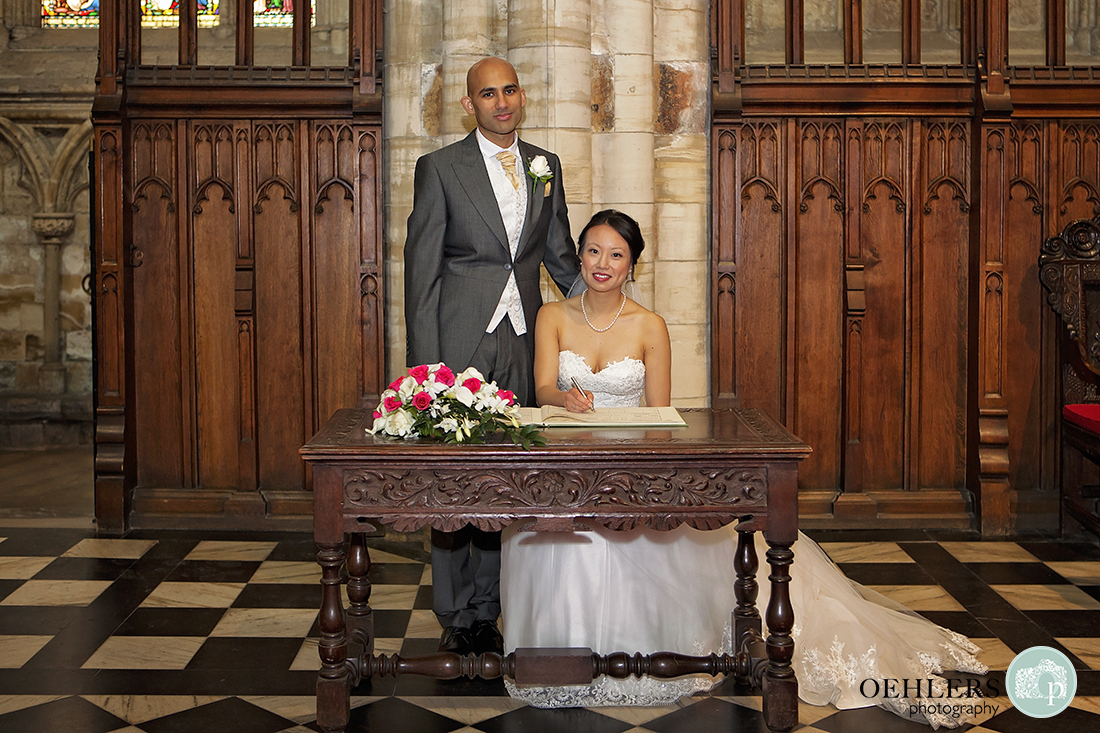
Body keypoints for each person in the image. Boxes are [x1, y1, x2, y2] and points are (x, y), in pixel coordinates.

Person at [500, 210, 988, 728]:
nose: (603, 263)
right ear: (579, 256)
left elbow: (662, 415)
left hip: (631, 462)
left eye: (616, 254)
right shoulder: (553, 315)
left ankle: (643, 651)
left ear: (632, 265)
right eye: (594, 251)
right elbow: (544, 389)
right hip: (572, 460)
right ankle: (560, 656)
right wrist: (566, 402)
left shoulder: (650, 326)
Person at [403, 57, 580, 658]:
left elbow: (558, 254)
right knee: (455, 482)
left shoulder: (545, 167)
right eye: (487, 94)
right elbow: (421, 274)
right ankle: (456, 615)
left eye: (509, 90)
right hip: (459, 341)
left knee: (508, 476)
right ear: (469, 104)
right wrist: (424, 370)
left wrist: (607, 313)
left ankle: (491, 607)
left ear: (521, 96)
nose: (501, 102)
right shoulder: (440, 168)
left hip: (524, 340)